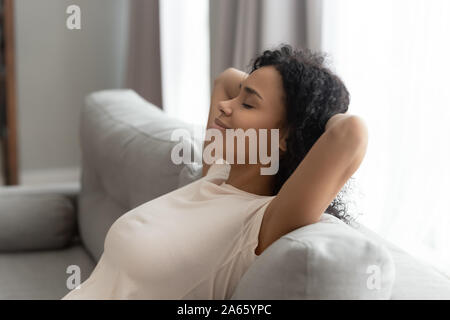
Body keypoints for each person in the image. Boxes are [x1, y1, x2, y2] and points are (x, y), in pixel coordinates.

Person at [62, 44, 368, 300]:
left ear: (287, 137)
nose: (224, 106)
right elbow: (227, 79)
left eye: (247, 104)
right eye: (238, 97)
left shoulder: (261, 221)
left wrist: (312, 119)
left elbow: (350, 134)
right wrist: (267, 92)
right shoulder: (217, 172)